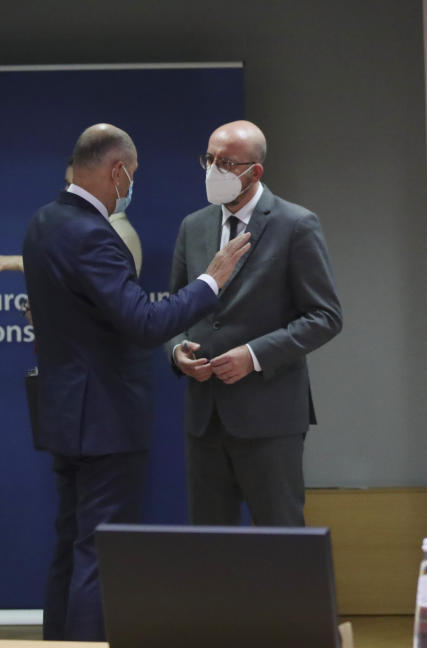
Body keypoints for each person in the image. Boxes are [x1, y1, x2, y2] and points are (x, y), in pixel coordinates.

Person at [21, 123, 250, 641]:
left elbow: (97, 316)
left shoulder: (42, 223)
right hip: (104, 418)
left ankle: (58, 642)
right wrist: (210, 280)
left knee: (69, 543)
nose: (132, 185)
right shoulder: (92, 233)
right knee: (98, 549)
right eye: (133, 174)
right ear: (117, 170)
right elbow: (141, 324)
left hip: (64, 414)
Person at [164, 120, 342, 527]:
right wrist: (177, 351)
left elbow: (326, 316)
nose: (213, 170)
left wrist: (254, 355)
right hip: (204, 416)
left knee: (280, 544)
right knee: (210, 549)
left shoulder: (295, 224)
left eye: (225, 163)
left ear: (254, 171)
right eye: (208, 159)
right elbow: (175, 310)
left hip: (270, 415)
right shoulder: (193, 226)